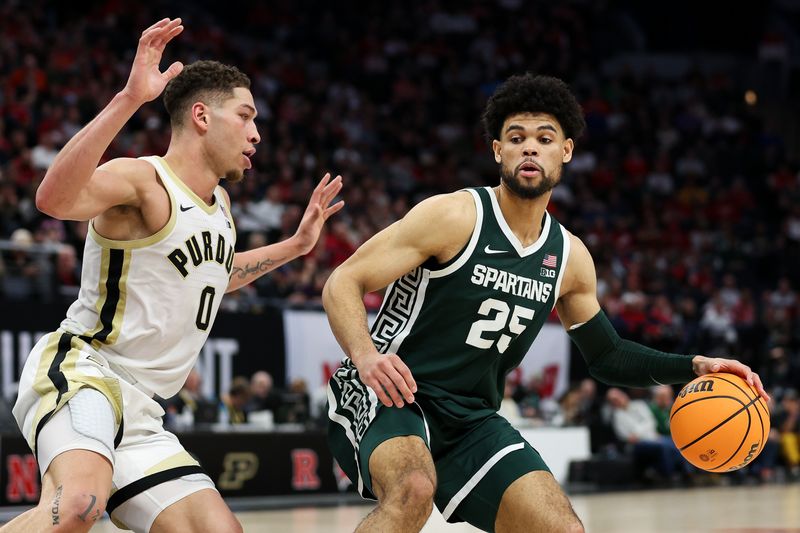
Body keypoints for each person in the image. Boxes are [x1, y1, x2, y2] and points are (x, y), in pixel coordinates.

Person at [323, 72, 767, 533]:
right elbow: (343, 281)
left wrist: (694, 365)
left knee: (564, 530)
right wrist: (366, 356)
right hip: (389, 394)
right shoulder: (453, 215)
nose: (529, 148)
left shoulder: (570, 258)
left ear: (566, 151)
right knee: (413, 489)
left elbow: (608, 356)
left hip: (472, 418)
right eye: (516, 138)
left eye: (544, 138)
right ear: (498, 151)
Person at [6, 18, 343, 533]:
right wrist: (128, 99)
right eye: (246, 116)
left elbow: (215, 277)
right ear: (202, 116)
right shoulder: (143, 180)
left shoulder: (221, 205)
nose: (257, 133)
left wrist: (296, 247)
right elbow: (52, 200)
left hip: (143, 410)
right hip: (86, 373)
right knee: (76, 506)